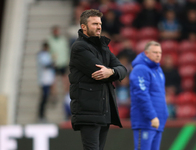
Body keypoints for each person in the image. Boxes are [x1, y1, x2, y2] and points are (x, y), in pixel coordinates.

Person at [69, 9, 127, 150]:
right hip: (88, 112)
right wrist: (112, 72)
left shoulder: (103, 47)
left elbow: (123, 70)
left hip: (103, 111)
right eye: (94, 24)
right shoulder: (79, 47)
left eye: (99, 23)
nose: (99, 27)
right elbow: (99, 73)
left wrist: (111, 71)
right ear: (84, 27)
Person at [129, 41, 168, 150]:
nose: (158, 55)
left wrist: (163, 114)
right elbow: (141, 95)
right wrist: (152, 116)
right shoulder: (140, 69)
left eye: (160, 52)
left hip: (157, 121)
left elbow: (160, 94)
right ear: (146, 53)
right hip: (145, 121)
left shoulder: (158, 70)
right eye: (155, 52)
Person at [37, 42, 55, 123]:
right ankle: (40, 114)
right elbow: (45, 65)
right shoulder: (41, 55)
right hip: (43, 80)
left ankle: (42, 114)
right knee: (44, 97)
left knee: (46, 97)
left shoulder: (48, 54)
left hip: (48, 79)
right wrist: (52, 63)